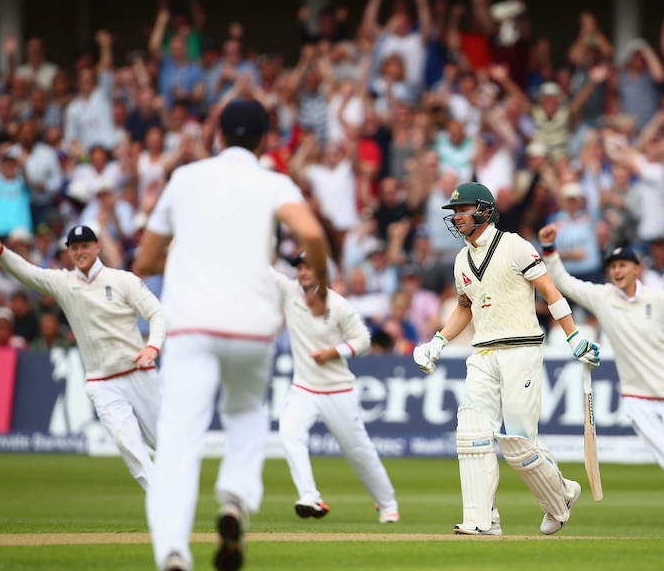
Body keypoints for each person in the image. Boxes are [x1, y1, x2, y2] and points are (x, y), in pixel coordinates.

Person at [134, 99, 329, 571]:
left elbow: (144, 261)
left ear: (217, 134)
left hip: (192, 328)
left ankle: (173, 552)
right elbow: (314, 235)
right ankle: (236, 501)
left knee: (180, 436)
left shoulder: (186, 178)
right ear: (264, 140)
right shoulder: (273, 182)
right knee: (245, 416)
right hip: (251, 329)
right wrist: (319, 291)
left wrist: (185, 258)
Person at [412, 182, 600, 537]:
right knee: (471, 433)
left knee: (518, 444)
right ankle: (483, 520)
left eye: (462, 210)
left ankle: (561, 495)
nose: (457, 217)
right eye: (454, 212)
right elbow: (465, 307)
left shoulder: (514, 245)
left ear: (483, 210)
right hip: (482, 353)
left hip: (521, 350)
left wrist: (574, 336)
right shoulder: (461, 260)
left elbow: (550, 292)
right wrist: (437, 341)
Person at [538, 223, 664, 527]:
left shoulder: (658, 299)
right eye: (613, 266)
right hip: (635, 396)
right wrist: (550, 250)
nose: (617, 271)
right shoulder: (602, 296)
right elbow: (563, 281)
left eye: (623, 265)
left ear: (637, 268)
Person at [0, 222, 165, 491]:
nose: (80, 252)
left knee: (165, 445)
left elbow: (157, 314)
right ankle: (162, 501)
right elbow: (28, 273)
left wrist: (153, 346)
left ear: (97, 246)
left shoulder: (123, 280)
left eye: (85, 246)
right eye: (74, 248)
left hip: (138, 372)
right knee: (129, 446)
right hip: (102, 383)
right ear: (68, 252)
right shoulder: (63, 283)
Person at [273, 252, 399, 523]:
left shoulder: (337, 304)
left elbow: (363, 339)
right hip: (303, 388)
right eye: (300, 268)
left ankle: (387, 504)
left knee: (358, 451)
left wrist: (334, 352)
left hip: (338, 389)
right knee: (289, 434)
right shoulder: (289, 291)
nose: (303, 272)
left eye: (309, 267)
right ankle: (310, 496)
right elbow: (263, 272)